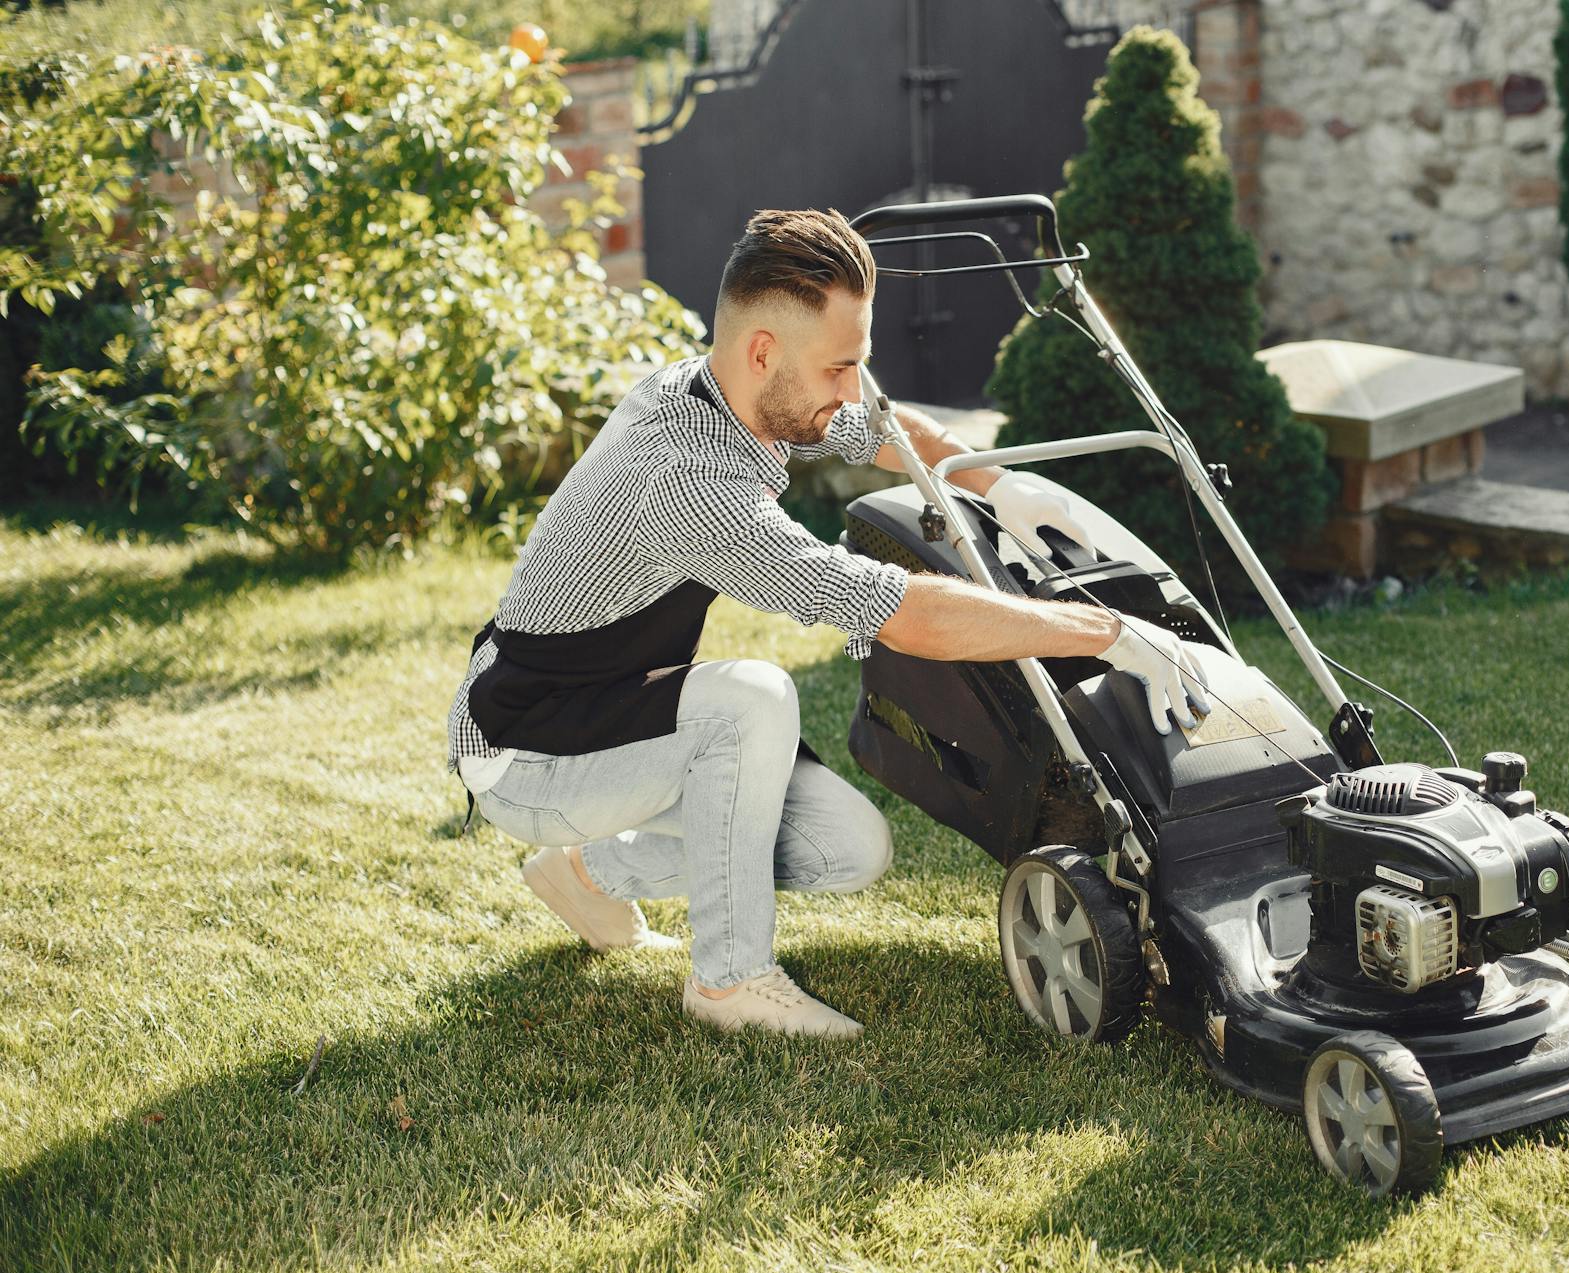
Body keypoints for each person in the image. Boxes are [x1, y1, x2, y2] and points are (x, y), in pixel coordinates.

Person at [446, 208, 1210, 1039]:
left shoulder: (730, 391)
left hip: (621, 706)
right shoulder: (685, 479)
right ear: (764, 351)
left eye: (860, 364)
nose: (853, 391)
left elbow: (878, 429)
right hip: (530, 749)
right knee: (751, 697)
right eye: (840, 368)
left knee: (851, 847)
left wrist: (990, 481)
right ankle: (729, 981)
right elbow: (902, 610)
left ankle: (587, 875)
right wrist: (1107, 632)